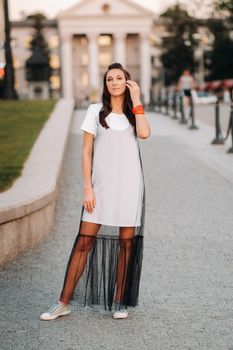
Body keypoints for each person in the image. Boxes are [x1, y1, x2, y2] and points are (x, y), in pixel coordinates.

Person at [40, 62, 151, 321]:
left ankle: (120, 301)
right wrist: (87, 188)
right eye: (110, 78)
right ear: (105, 84)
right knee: (83, 242)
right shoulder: (94, 111)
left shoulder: (134, 113)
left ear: (127, 82)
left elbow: (144, 133)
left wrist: (137, 99)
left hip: (129, 188)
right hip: (100, 188)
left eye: (119, 78)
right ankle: (63, 302)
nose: (114, 82)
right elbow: (86, 152)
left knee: (126, 245)